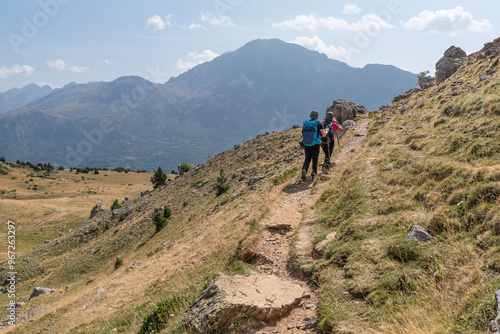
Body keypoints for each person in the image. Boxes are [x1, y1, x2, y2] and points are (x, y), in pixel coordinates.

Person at [301, 110, 321, 182]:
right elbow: (321, 133)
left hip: (307, 143)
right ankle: (314, 174)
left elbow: (303, 133)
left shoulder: (306, 123)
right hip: (315, 144)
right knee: (315, 159)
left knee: (307, 158)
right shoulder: (318, 124)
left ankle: (304, 170)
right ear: (317, 117)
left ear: (310, 116)